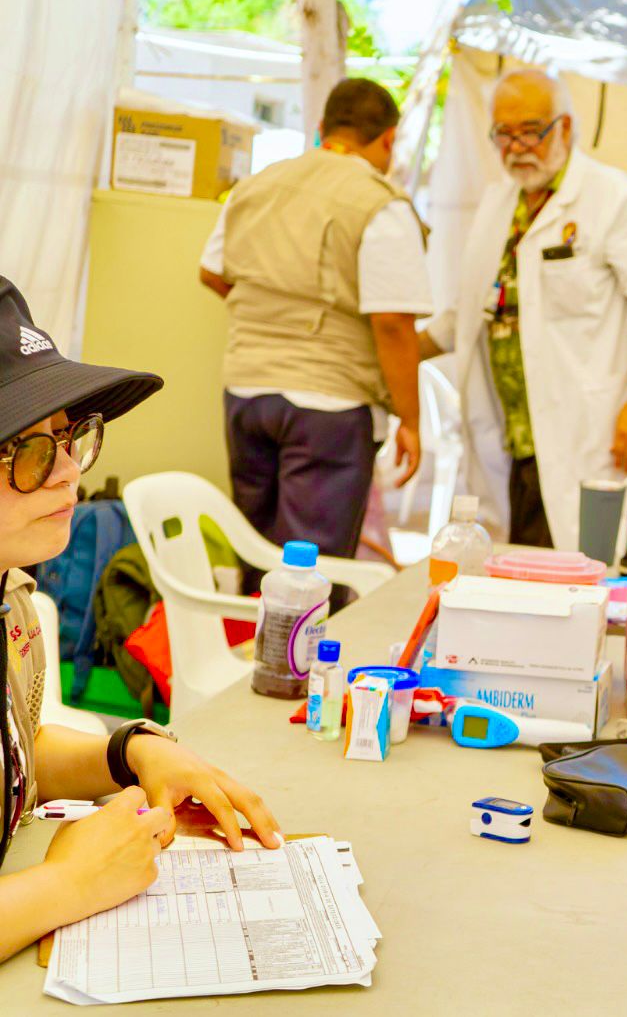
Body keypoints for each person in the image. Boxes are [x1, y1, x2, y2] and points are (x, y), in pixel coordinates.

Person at [0, 277, 282, 963]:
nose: (68, 473)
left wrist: (128, 754)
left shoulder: (11, 594)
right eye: (30, 453)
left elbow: (15, 758)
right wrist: (67, 884)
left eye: (70, 438)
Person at [419, 68, 627, 552]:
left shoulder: (612, 199)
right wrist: (393, 349)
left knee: (580, 570)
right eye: (503, 134)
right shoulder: (498, 203)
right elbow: (468, 311)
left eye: (530, 131)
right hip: (511, 439)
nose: (516, 147)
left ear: (564, 127)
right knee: (514, 569)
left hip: (585, 435)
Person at [199, 78, 429, 571]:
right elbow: (392, 321)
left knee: (257, 555)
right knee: (311, 573)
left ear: (323, 127)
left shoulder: (257, 185)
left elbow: (211, 271)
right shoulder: (380, 204)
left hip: (246, 393)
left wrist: (270, 315)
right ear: (389, 138)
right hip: (329, 406)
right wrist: (410, 420)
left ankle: (256, 624)